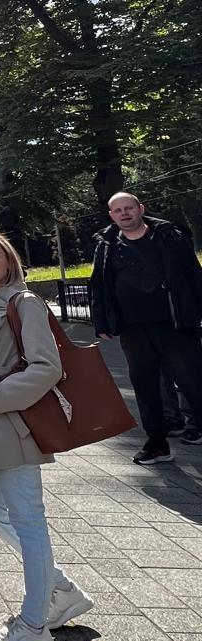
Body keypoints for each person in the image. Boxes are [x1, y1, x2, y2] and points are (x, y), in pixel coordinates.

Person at [0, 231, 94, 641]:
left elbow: (47, 366)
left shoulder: (24, 302)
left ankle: (34, 627)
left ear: (10, 261)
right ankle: (61, 589)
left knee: (27, 519)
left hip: (10, 422)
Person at [89, 192, 202, 464]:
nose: (124, 213)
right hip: (133, 330)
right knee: (145, 388)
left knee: (193, 382)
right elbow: (100, 285)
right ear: (111, 215)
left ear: (141, 209)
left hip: (175, 325)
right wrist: (102, 322)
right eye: (118, 210)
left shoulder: (168, 236)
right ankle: (157, 443)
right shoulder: (106, 245)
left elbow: (193, 274)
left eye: (129, 208)